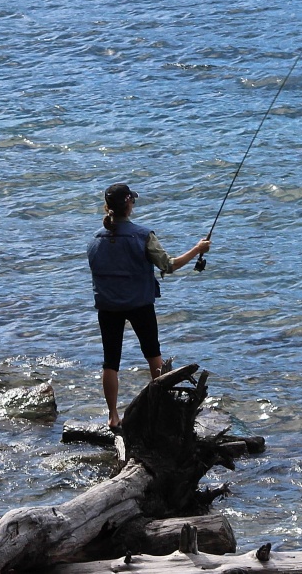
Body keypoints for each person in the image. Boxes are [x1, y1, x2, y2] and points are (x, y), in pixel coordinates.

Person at [87, 183, 211, 431]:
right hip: (140, 304)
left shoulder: (95, 240)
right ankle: (163, 409)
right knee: (153, 354)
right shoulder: (143, 236)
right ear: (129, 204)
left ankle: (113, 416)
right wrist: (198, 249)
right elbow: (169, 265)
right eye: (132, 200)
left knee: (110, 362)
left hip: (108, 307)